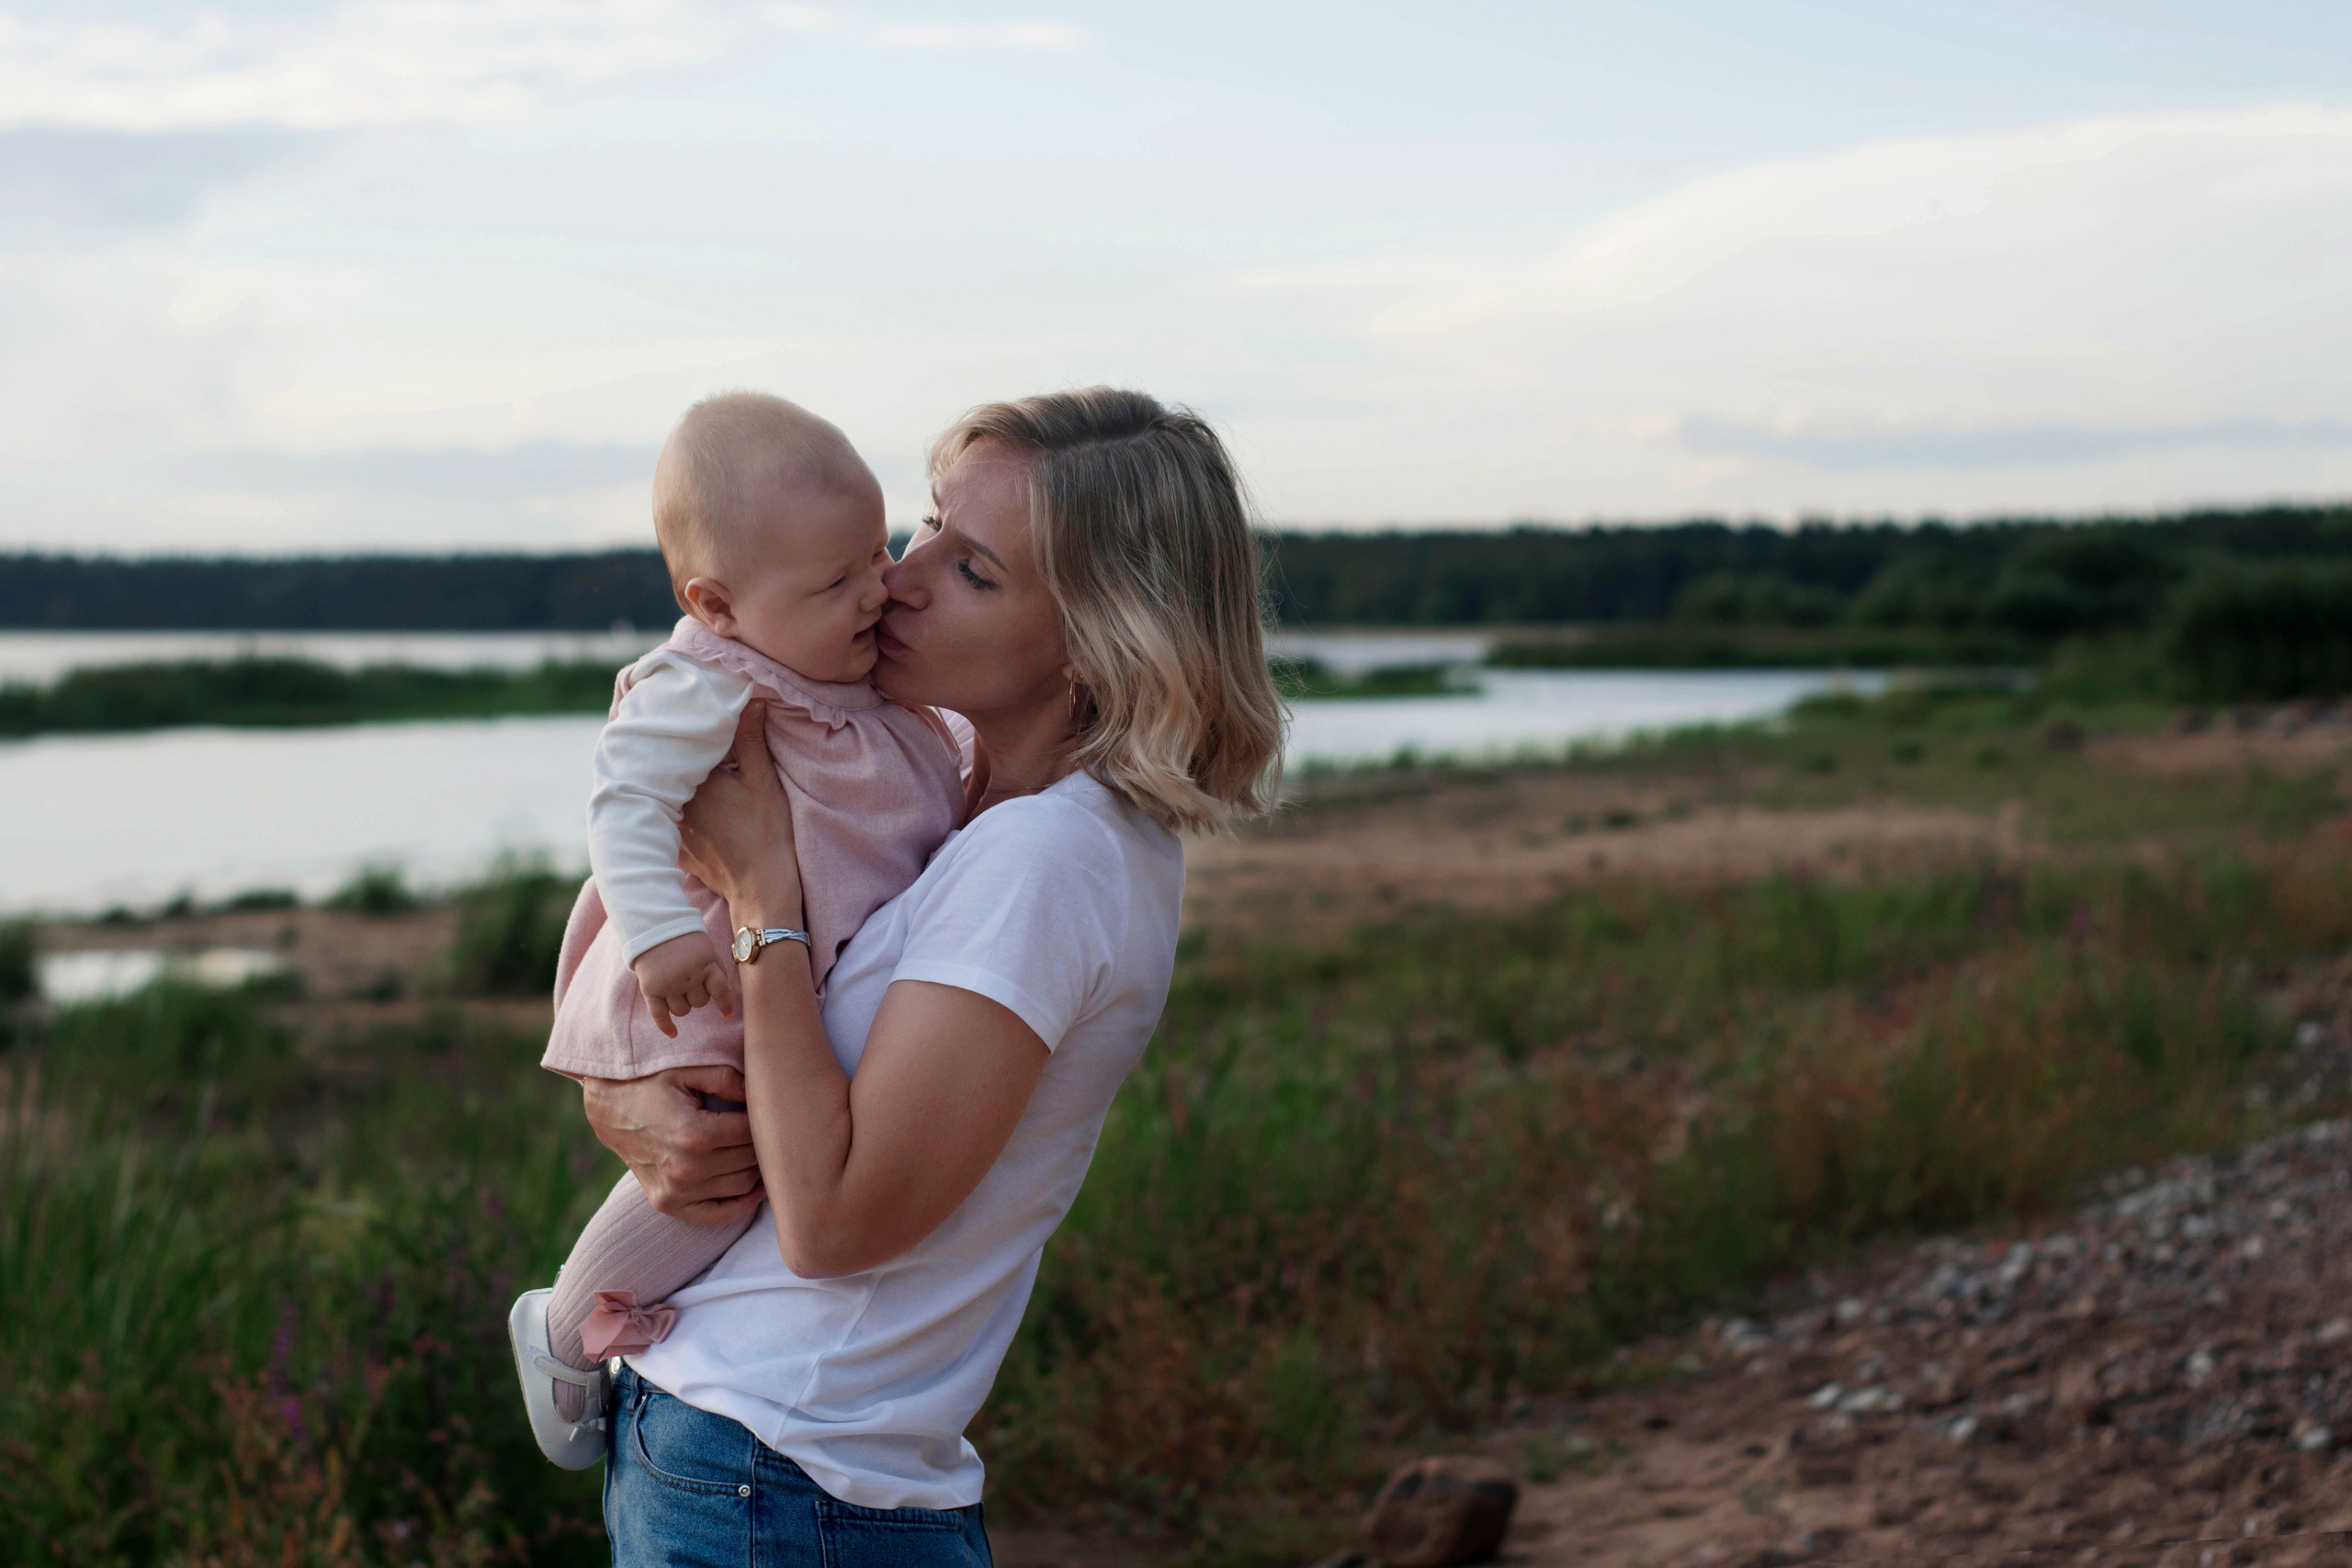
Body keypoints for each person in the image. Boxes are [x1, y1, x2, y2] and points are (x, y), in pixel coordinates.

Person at [577, 388, 1285, 1564]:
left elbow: (836, 1224)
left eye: (975, 572)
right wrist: (631, 1102)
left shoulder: (1047, 855)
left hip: (787, 1471)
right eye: (928, 529)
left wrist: (765, 904)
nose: (901, 579)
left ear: (1097, 641)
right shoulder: (934, 784)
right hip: (741, 1447)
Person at [508, 391, 966, 1461]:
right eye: (836, 582)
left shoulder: (845, 670)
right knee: (715, 1170)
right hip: (705, 978)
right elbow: (623, 802)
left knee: (766, 1159)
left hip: (788, 968)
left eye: (877, 552)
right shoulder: (709, 683)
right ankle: (568, 1334)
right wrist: (663, 930)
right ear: (713, 603)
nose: (880, 589)